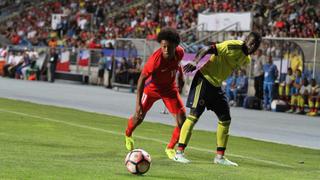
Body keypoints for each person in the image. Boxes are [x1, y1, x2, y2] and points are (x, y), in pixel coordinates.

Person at [173, 32, 262, 166]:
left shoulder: (246, 59)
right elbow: (207, 48)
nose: (253, 46)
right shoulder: (233, 46)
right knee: (194, 116)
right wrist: (195, 61)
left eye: (256, 45)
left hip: (216, 86)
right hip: (203, 80)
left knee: (225, 119)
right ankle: (179, 153)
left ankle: (219, 157)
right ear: (246, 40)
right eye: (252, 42)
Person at [125, 27, 186, 160]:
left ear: (176, 46)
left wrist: (181, 77)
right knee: (138, 118)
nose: (165, 49)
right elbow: (141, 80)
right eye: (163, 46)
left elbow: (178, 64)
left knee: (182, 120)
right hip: (152, 89)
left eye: (169, 47)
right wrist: (138, 105)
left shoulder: (180, 52)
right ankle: (128, 134)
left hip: (170, 90)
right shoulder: (155, 61)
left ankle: (170, 148)